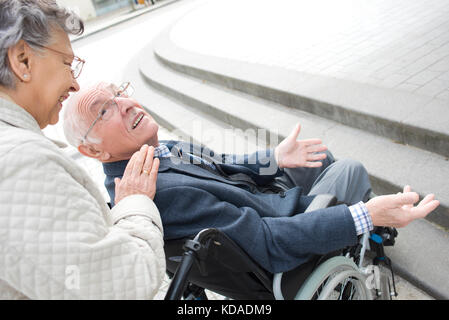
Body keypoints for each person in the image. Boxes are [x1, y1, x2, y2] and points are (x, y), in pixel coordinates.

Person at [64, 80, 440, 274]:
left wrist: (275, 157)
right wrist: (365, 214)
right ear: (92, 151)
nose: (127, 103)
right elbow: (266, 241)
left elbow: (224, 162)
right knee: (349, 170)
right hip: (279, 230)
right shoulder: (158, 192)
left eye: (120, 93)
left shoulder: (152, 153)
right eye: (105, 109)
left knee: (314, 155)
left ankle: (358, 219)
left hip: (259, 200)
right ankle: (367, 227)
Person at [0, 0, 165, 299]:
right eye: (67, 63)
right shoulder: (19, 162)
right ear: (22, 60)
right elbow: (121, 285)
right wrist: (133, 204)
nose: (75, 84)